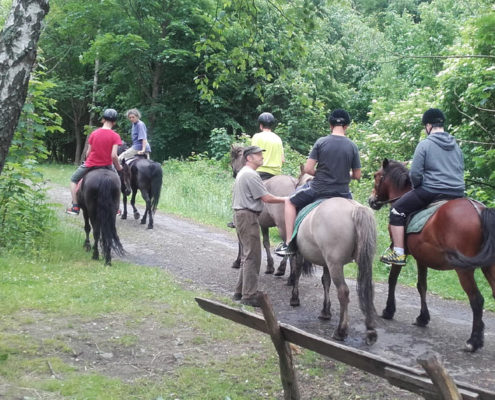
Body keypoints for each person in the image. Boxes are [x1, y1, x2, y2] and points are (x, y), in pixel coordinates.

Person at [380, 108, 465, 266]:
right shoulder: (456, 145)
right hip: (457, 192)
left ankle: (398, 253)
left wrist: (418, 186)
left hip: (432, 191)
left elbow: (416, 175)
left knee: (396, 210)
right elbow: (460, 169)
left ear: (428, 126)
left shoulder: (425, 144)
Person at [275, 109, 361, 256]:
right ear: (347, 126)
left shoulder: (321, 142)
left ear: (330, 125)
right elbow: (358, 175)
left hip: (319, 188)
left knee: (289, 202)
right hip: (343, 192)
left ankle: (289, 243)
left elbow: (308, 169)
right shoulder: (352, 146)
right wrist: (342, 174)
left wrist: (322, 173)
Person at [232, 146, 287, 307]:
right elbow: (267, 198)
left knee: (246, 255)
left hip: (242, 215)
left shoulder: (244, 173)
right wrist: (287, 199)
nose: (261, 157)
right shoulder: (251, 175)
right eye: (257, 155)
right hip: (248, 216)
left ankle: (239, 291)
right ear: (249, 158)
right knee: (253, 256)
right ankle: (249, 295)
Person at [66, 109, 123, 215]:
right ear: (114, 122)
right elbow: (114, 156)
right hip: (107, 165)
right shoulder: (116, 136)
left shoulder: (94, 133)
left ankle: (75, 207)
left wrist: (89, 160)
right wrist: (119, 167)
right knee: (118, 183)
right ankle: (116, 208)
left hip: (91, 164)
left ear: (103, 120)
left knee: (73, 179)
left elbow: (88, 153)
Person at [251, 112, 285, 180]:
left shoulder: (256, 137)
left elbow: (252, 156)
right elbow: (283, 160)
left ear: (261, 125)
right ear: (272, 125)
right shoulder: (278, 138)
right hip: (276, 174)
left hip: (260, 172)